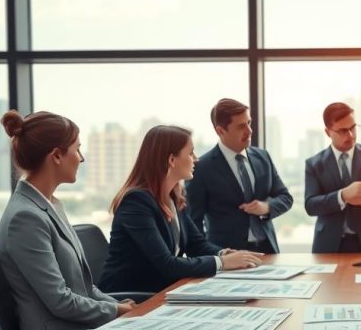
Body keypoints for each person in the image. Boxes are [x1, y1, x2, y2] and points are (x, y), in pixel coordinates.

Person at [0, 110, 134, 330]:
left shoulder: (50, 205)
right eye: (77, 149)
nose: (81, 158)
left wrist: (120, 307)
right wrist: (115, 311)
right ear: (57, 155)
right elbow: (60, 301)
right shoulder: (25, 218)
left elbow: (83, 287)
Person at [99, 125, 262, 294]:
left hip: (163, 289)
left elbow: (195, 244)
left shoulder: (174, 197)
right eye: (190, 153)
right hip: (133, 297)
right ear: (171, 160)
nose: (196, 159)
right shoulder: (136, 202)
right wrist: (223, 263)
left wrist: (226, 253)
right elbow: (166, 263)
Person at [186, 98, 293, 254]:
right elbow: (194, 224)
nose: (249, 131)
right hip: (228, 257)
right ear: (220, 131)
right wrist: (213, 258)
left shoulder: (263, 157)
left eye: (249, 123)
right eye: (241, 126)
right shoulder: (201, 168)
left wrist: (266, 207)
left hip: (268, 250)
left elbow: (286, 197)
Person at [304, 101, 361, 253]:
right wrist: (342, 196)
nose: (350, 135)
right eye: (343, 131)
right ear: (328, 132)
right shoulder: (314, 164)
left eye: (353, 128)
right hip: (329, 245)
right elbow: (311, 205)